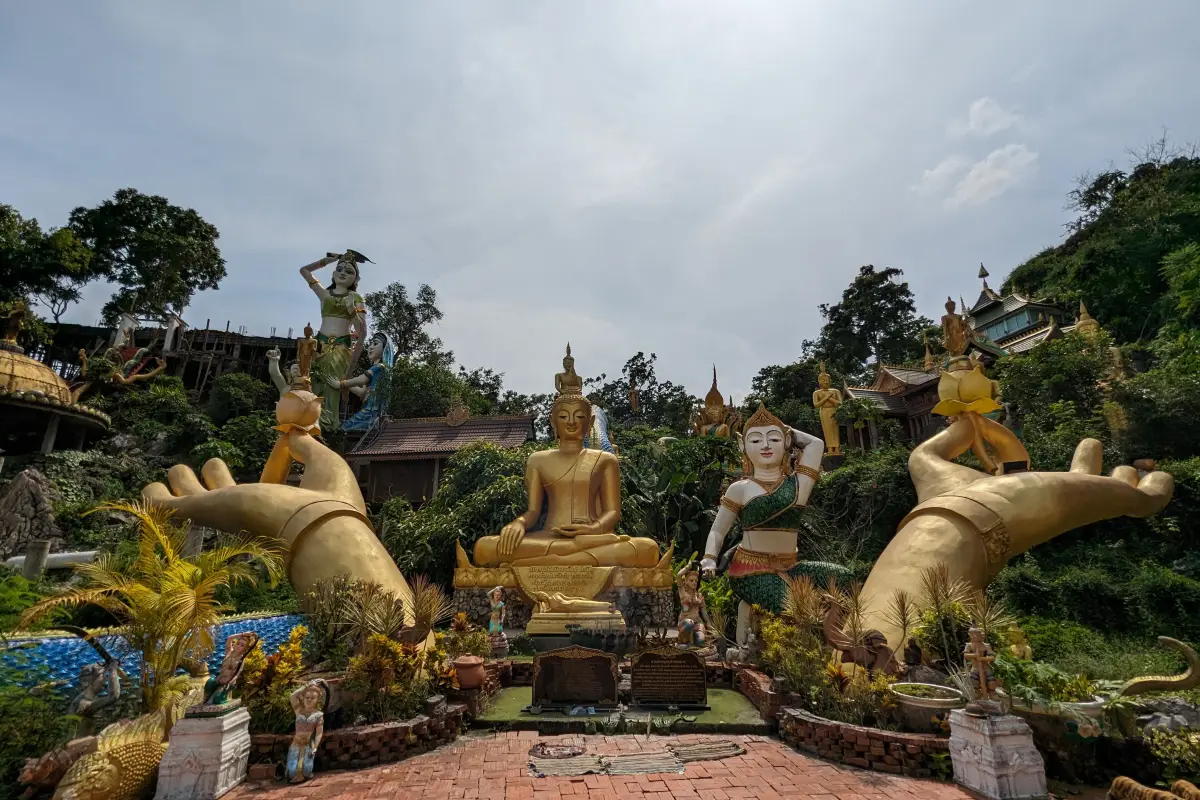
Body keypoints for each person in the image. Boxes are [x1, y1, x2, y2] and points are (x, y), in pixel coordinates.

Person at [701, 404, 843, 647]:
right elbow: (718, 529)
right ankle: (782, 654)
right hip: (750, 571)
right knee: (792, 606)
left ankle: (838, 645)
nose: (765, 445)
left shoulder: (798, 485)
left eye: (774, 439)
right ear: (743, 446)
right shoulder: (740, 489)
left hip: (790, 566)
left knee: (844, 579)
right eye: (756, 440)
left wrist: (788, 432)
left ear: (786, 442)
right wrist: (709, 558)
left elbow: (816, 444)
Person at [298, 251, 370, 430]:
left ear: (355, 279)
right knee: (314, 381)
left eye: (349, 271)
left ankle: (329, 424)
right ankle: (310, 419)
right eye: (340, 269)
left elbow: (361, 331)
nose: (343, 273)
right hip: (319, 345)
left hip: (341, 347)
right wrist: (327, 261)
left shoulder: (356, 298)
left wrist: (352, 310)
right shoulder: (325, 294)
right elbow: (304, 271)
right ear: (333, 273)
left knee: (333, 384)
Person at [330, 332, 394, 432]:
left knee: (342, 430)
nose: (371, 347)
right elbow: (362, 392)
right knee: (344, 429)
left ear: (385, 349)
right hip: (368, 412)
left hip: (371, 412)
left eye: (375, 344)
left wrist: (341, 384)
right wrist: (344, 384)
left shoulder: (380, 367)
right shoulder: (378, 368)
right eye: (371, 344)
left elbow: (361, 379)